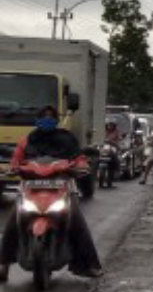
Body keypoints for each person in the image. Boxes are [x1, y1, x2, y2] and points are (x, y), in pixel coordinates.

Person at [0, 106, 104, 282]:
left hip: (61, 187)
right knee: (13, 223)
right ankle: (3, 265)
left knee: (77, 223)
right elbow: (16, 160)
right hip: (30, 187)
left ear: (56, 120)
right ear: (37, 120)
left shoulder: (67, 139)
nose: (47, 120)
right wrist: (13, 168)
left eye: (50, 117)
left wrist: (81, 166)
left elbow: (78, 158)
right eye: (43, 117)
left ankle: (89, 265)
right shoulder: (27, 140)